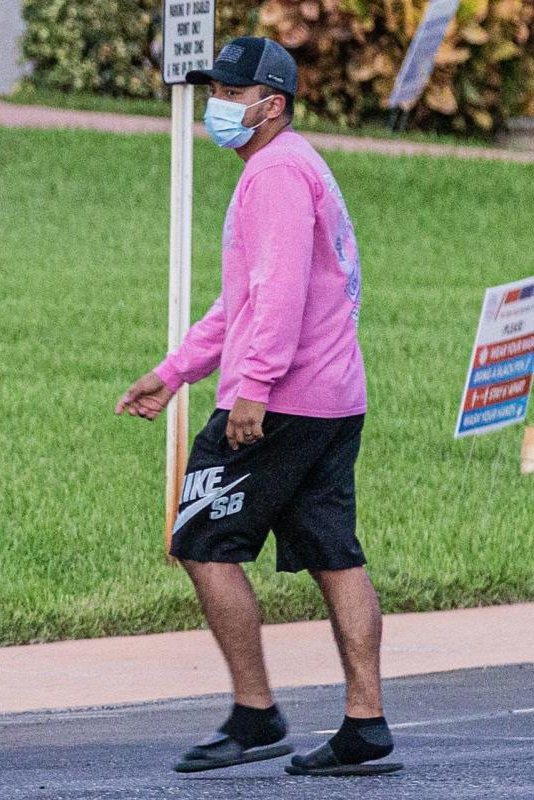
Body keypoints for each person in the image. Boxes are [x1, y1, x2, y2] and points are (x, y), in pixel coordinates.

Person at [115, 37, 402, 777]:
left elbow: (278, 300)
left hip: (281, 403)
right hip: (333, 399)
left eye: (232, 93)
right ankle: (365, 725)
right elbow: (241, 302)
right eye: (215, 88)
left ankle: (254, 714)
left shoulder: (274, 172)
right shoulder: (293, 163)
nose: (219, 103)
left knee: (200, 541)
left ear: (271, 105)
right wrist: (174, 372)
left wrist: (251, 391)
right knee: (336, 556)